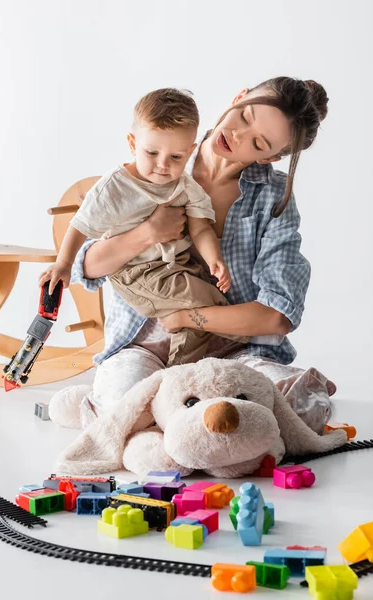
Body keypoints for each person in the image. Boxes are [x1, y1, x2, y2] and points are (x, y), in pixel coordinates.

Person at [48, 76, 336, 436]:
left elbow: (277, 316)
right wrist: (147, 233)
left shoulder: (273, 198)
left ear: (272, 156)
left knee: (302, 407)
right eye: (244, 117)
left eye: (259, 142)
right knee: (126, 407)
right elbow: (88, 268)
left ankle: (179, 417)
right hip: (144, 344)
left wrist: (188, 316)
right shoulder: (164, 153)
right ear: (239, 96)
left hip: (229, 348)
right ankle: (130, 408)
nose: (237, 136)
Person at [39, 88, 247, 367]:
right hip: (135, 273)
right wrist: (63, 264)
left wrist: (214, 259)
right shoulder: (116, 186)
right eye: (152, 152)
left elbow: (200, 230)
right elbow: (80, 225)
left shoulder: (185, 186)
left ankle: (184, 369)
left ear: (190, 151)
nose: (162, 165)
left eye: (176, 157)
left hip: (176, 266)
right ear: (133, 143)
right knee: (204, 302)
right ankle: (216, 352)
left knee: (201, 312)